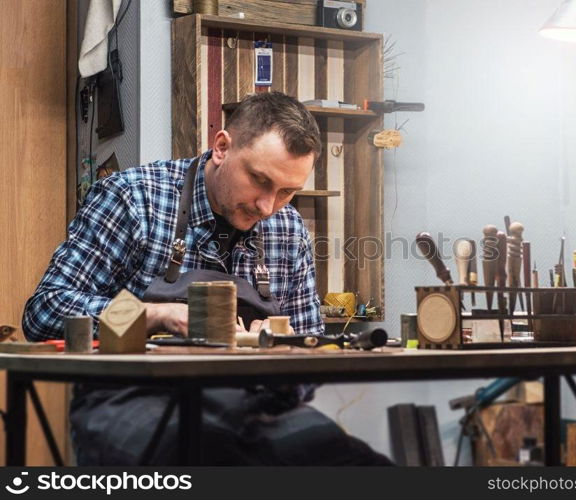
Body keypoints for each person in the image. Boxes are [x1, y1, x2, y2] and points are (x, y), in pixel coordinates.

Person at [23, 91, 392, 466]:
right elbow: (45, 310)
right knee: (212, 459)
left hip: (251, 402)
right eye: (259, 179)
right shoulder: (133, 198)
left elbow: (312, 345)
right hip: (132, 397)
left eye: (287, 191)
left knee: (360, 466)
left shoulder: (287, 227)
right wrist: (152, 316)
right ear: (221, 147)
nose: (268, 206)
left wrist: (282, 354)